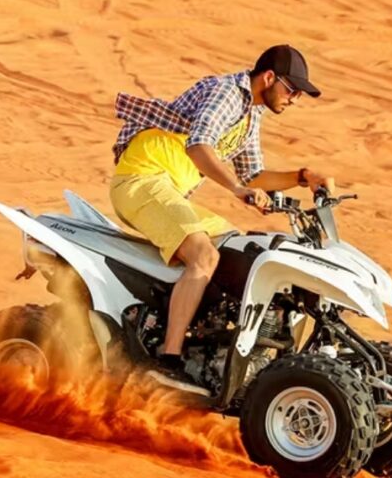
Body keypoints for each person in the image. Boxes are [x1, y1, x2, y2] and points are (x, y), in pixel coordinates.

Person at [110, 44, 336, 393]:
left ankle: (205, 345)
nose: (294, 99)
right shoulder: (228, 94)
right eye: (291, 90)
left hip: (166, 190)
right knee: (204, 255)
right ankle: (167, 362)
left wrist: (303, 177)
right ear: (269, 77)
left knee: (238, 251)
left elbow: (253, 176)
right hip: (143, 179)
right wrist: (235, 189)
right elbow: (198, 146)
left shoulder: (251, 115)